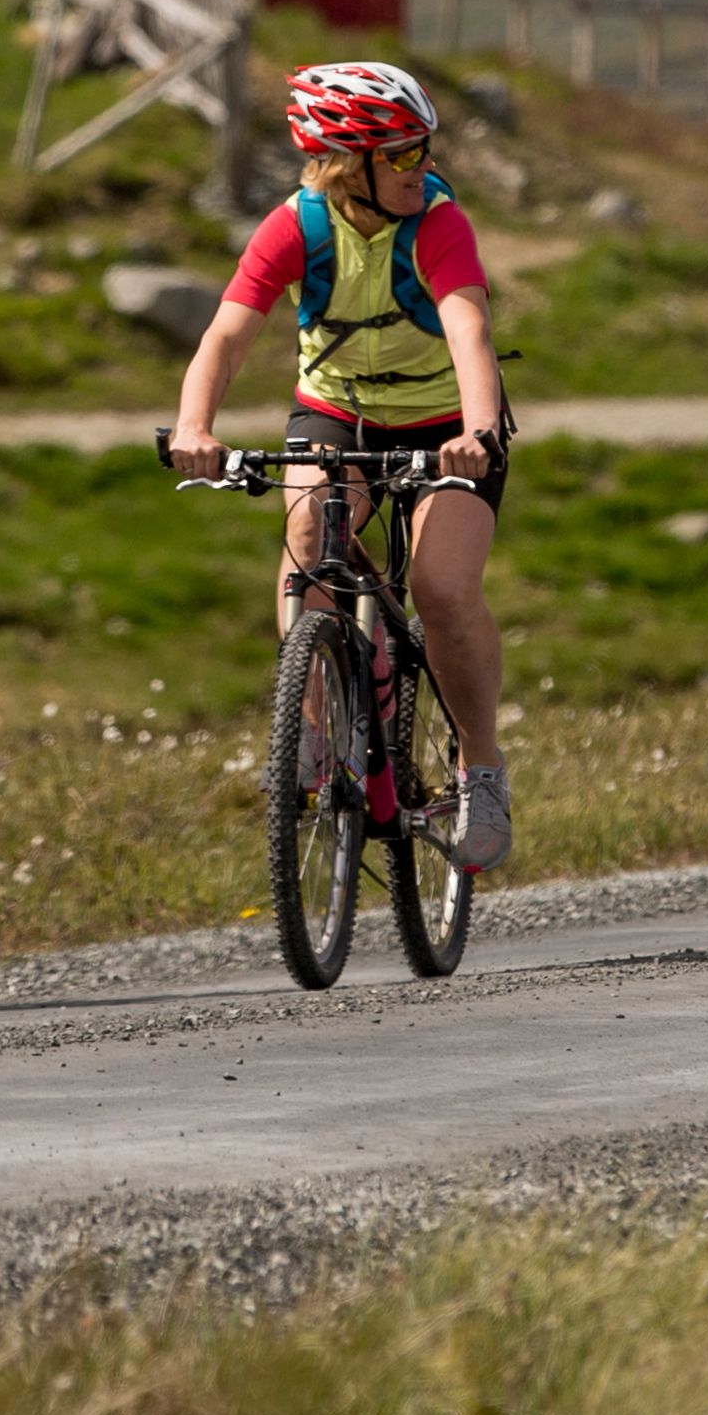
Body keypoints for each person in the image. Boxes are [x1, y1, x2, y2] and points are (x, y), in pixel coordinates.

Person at [163, 60, 517, 875]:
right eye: (398, 154)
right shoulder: (297, 224)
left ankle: (481, 768)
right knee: (308, 536)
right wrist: (195, 425)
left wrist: (477, 430)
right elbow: (225, 335)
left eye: (422, 148)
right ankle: (316, 732)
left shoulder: (436, 221)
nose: (419, 166)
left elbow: (470, 331)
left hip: (445, 422)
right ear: (342, 162)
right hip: (336, 412)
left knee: (444, 588)